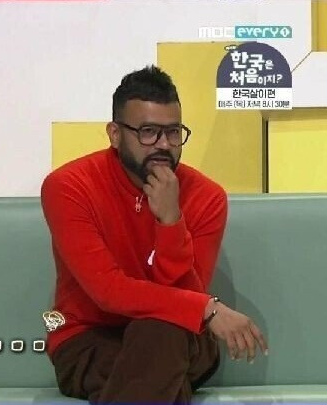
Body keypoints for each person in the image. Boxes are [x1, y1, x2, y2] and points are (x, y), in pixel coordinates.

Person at [40, 65, 267, 404]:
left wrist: (171, 221)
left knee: (161, 332)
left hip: (181, 338)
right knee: (157, 372)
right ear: (115, 134)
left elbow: (187, 294)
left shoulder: (207, 197)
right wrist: (207, 309)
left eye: (173, 132)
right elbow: (107, 291)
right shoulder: (69, 187)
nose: (163, 145)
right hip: (89, 339)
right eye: (148, 132)